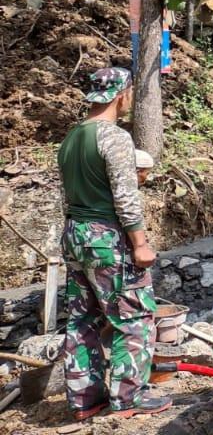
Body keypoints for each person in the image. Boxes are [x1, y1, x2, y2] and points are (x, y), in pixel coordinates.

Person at [57, 67, 170, 420]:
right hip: (106, 238)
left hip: (75, 234)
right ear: (122, 95)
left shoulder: (71, 138)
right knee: (133, 316)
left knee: (81, 319)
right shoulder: (114, 137)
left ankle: (84, 399)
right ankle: (128, 398)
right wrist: (140, 243)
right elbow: (126, 196)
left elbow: (67, 196)